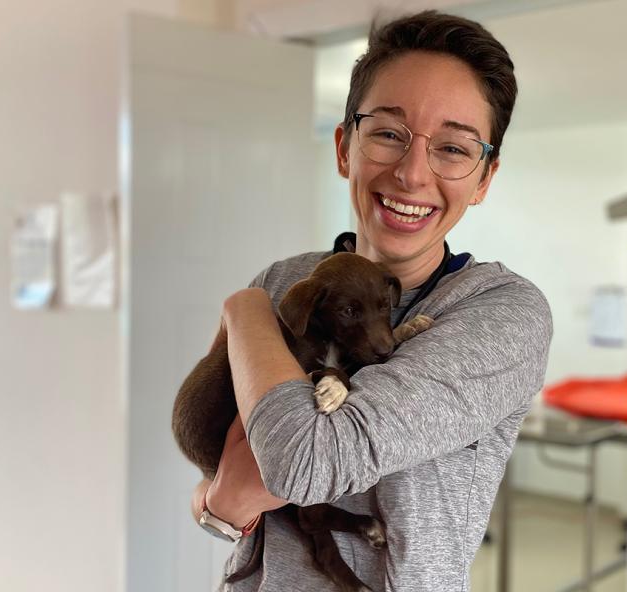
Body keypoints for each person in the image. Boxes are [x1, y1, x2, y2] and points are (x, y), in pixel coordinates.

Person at [190, 10, 552, 591]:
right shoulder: (285, 280)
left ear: (484, 178)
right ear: (344, 148)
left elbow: (305, 461)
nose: (412, 173)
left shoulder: (502, 313)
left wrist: (244, 310)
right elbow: (216, 466)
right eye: (388, 133)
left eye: (454, 149)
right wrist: (220, 507)